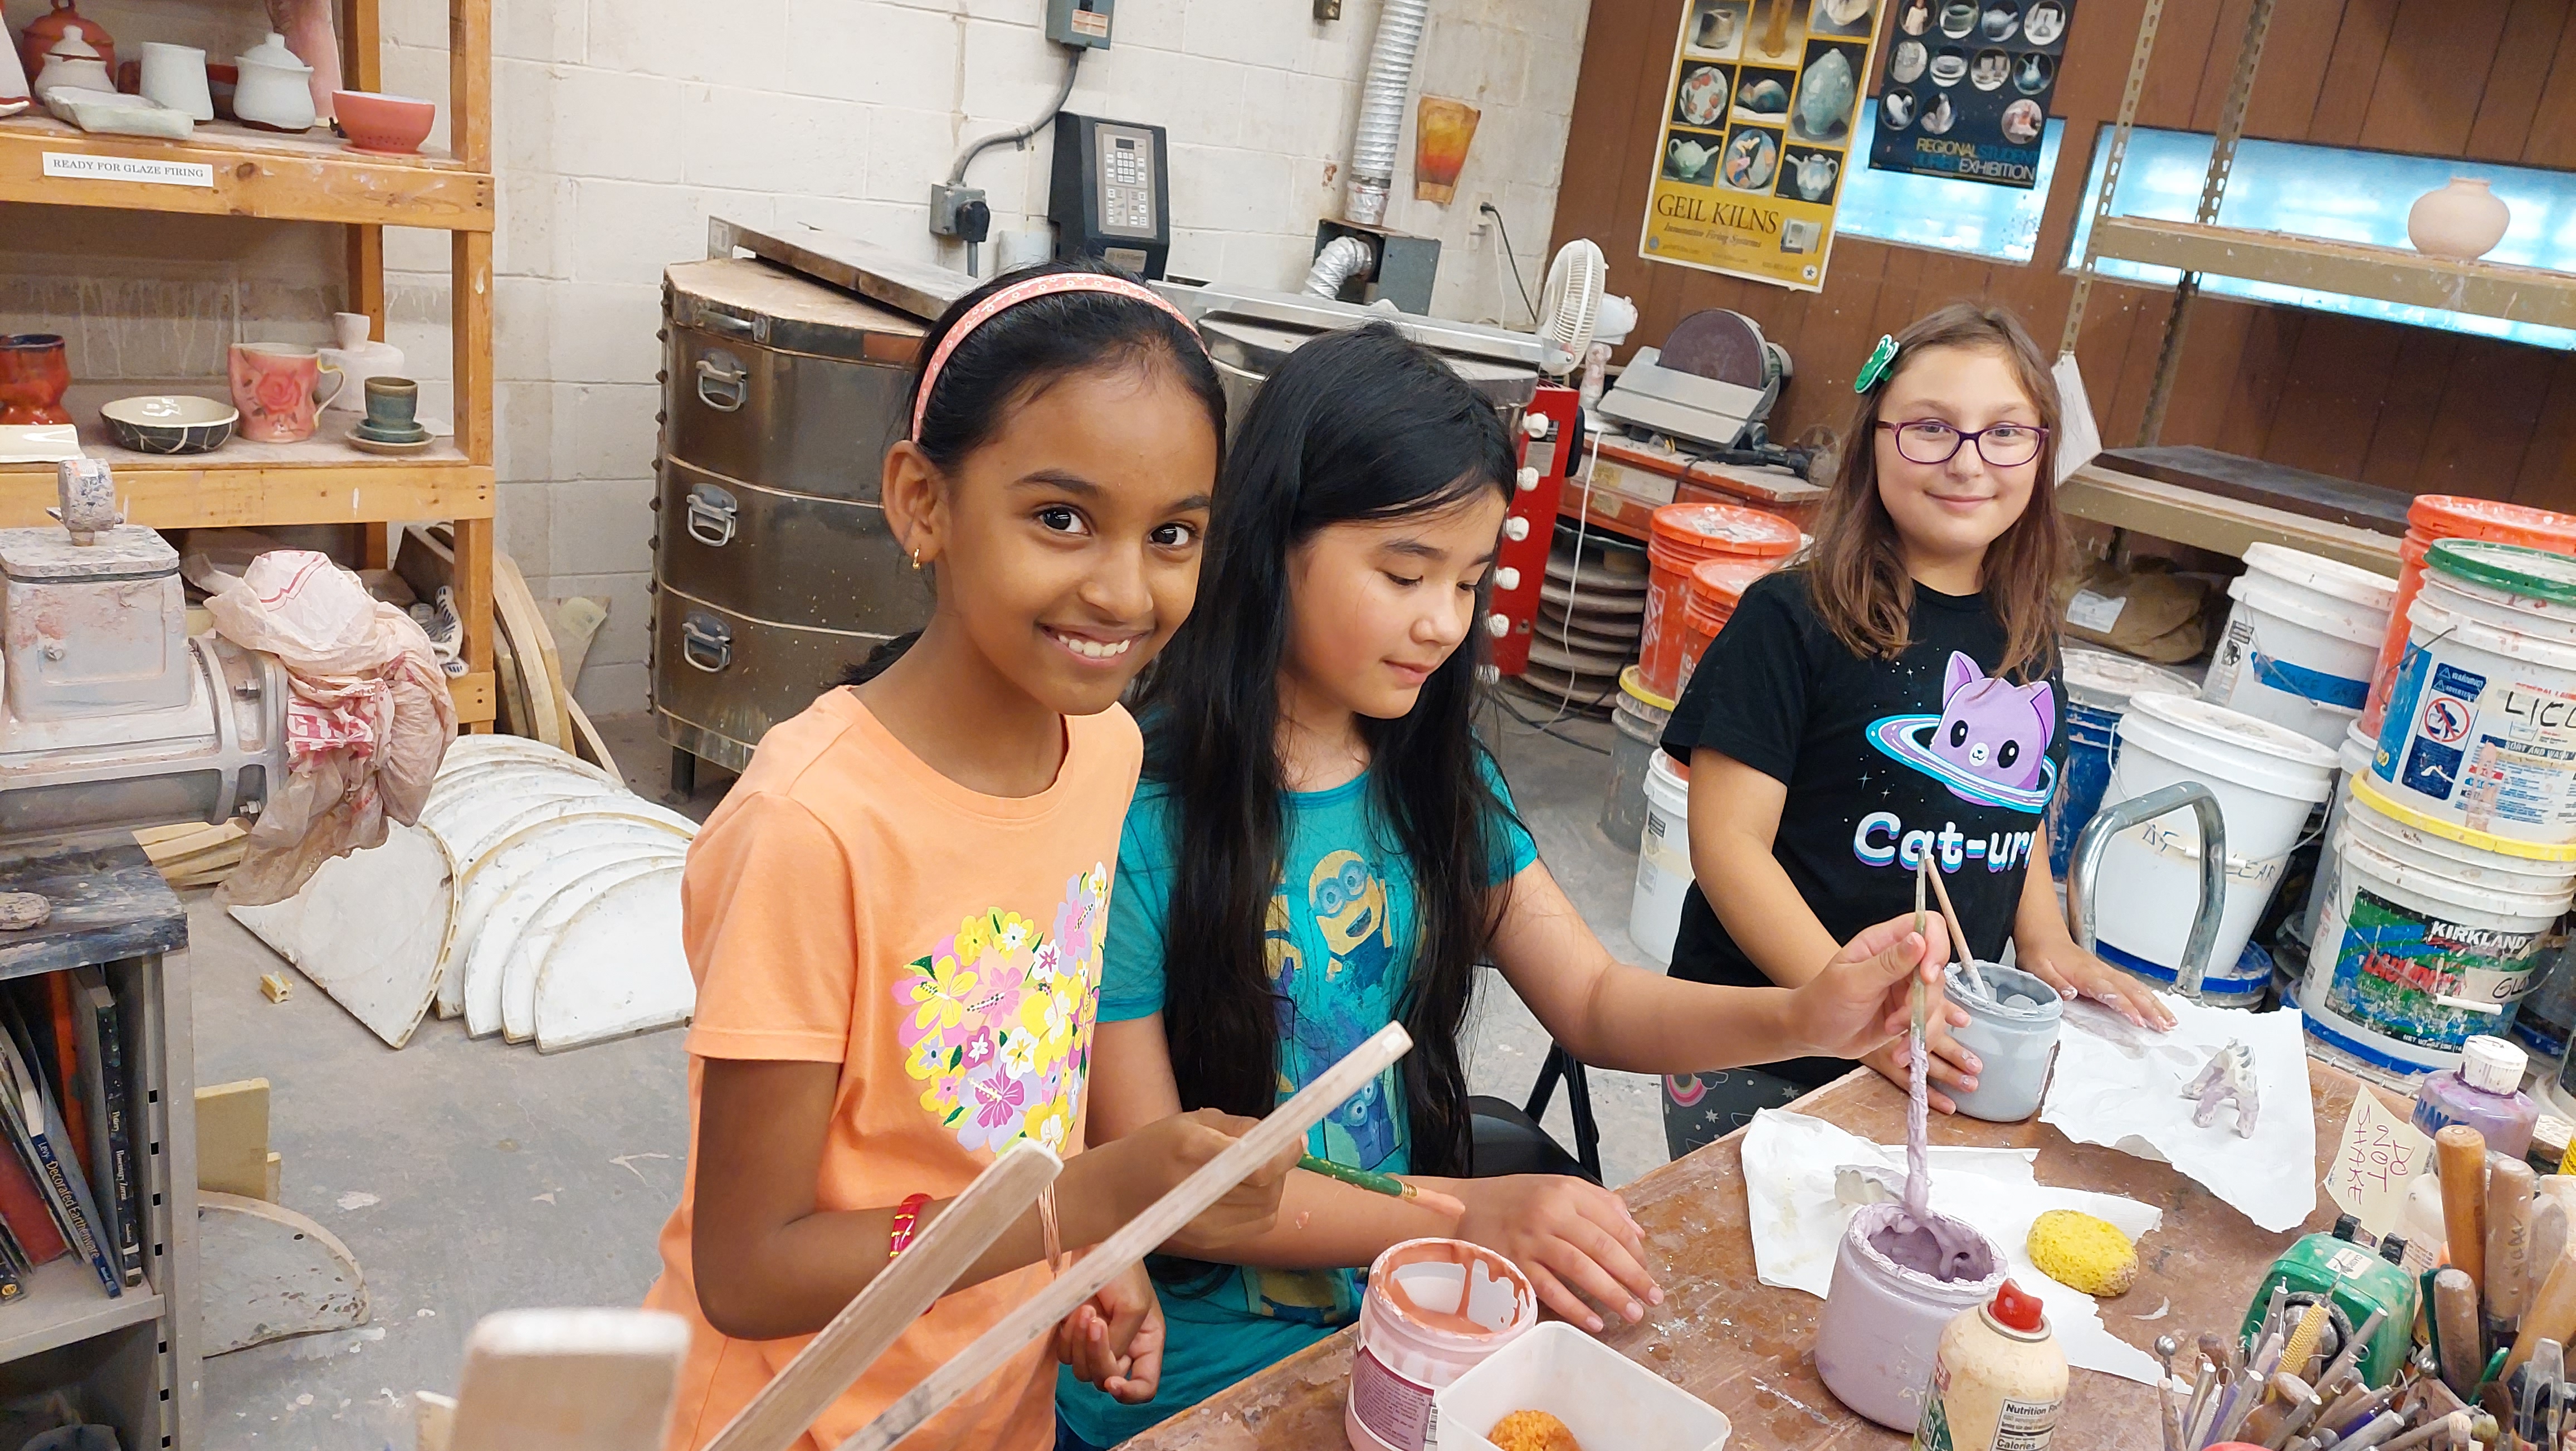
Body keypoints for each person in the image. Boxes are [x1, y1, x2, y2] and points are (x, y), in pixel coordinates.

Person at [1057, 323, 1957, 1449]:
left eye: (1469, 580)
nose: (1442, 621)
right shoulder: (1141, 810)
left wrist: (1802, 1013)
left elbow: (1591, 1001)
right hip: (1194, 1371)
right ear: (1269, 541)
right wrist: (1460, 1212)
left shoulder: (1434, 783)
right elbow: (1163, 1182)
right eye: (1402, 573)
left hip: (1399, 1316)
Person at [643, 261, 1305, 1451]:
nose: (1119, 588)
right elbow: (746, 1270)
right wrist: (1089, 1202)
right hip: (795, 1419)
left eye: (1171, 534)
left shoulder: (1099, 753)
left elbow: (1001, 1123)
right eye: (1060, 519)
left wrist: (1086, 1257)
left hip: (986, 1402)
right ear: (921, 504)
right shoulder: (810, 829)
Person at [1657, 302, 2174, 1161]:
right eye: (1932, 429)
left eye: (2006, 433)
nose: (1969, 463)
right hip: (1762, 1040)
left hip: (1938, 1032)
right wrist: (1850, 1014)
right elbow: (1729, 850)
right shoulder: (1792, 619)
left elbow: (2020, 808)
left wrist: (2046, 942)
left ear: (2044, 452)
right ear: (1874, 440)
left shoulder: (2024, 630)